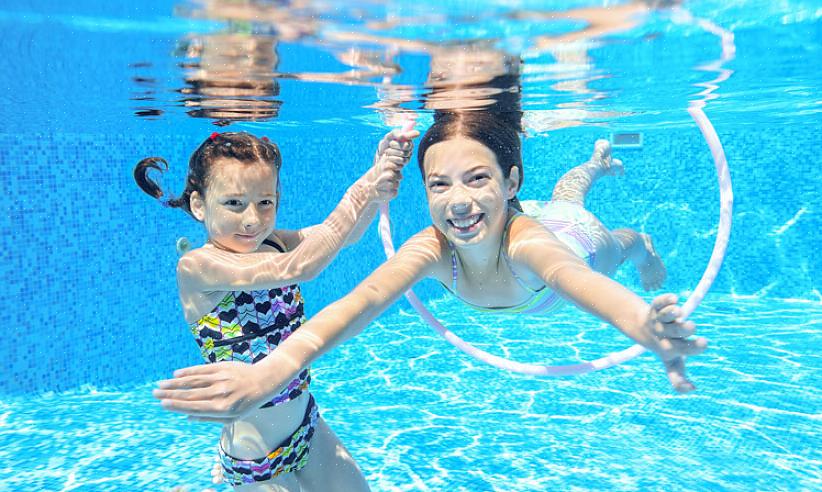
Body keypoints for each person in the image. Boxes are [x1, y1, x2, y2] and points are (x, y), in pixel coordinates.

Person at [152, 111, 708, 426]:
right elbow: (359, 304)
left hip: (573, 239)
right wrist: (269, 372)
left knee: (607, 233)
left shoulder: (529, 244)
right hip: (528, 216)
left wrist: (643, 326)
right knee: (564, 193)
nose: (457, 202)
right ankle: (591, 165)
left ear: (509, 182)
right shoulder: (432, 244)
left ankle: (622, 213)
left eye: (477, 178)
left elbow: (579, 281)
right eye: (439, 185)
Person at [134, 128, 417, 490]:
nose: (252, 219)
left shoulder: (275, 242)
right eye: (234, 204)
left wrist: (376, 181)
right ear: (199, 205)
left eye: (265, 202)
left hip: (308, 427)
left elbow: (347, 235)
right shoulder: (199, 265)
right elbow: (298, 268)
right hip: (254, 455)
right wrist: (363, 189)